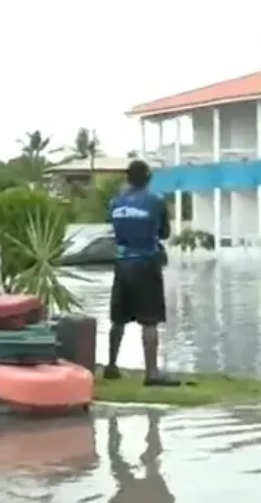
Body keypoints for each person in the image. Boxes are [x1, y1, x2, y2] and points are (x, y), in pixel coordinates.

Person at [105, 160, 179, 386]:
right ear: (148, 179)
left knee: (118, 319)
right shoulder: (155, 202)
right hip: (146, 264)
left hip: (122, 263)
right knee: (150, 320)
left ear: (128, 179)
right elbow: (164, 233)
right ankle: (152, 372)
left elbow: (117, 232)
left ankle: (111, 365)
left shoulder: (115, 203)